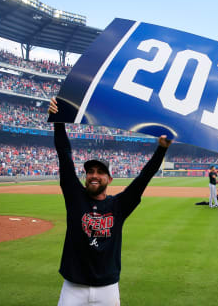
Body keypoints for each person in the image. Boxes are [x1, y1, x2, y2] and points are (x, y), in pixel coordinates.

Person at [48, 97, 172, 305]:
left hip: (108, 288)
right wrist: (58, 122)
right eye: (90, 172)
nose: (94, 175)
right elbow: (64, 155)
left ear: (110, 179)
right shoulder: (75, 197)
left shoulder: (119, 206)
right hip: (73, 287)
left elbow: (143, 178)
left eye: (100, 172)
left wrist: (161, 150)